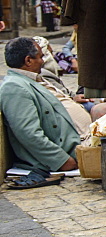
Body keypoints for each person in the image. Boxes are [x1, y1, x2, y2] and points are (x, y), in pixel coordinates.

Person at [0, 37, 81, 187]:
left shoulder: (26, 81)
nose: (43, 61)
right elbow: (29, 133)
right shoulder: (14, 87)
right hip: (64, 156)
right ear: (28, 60)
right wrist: (61, 160)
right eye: (40, 57)